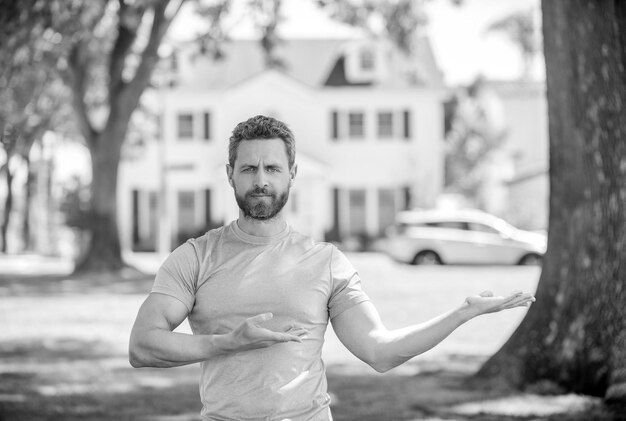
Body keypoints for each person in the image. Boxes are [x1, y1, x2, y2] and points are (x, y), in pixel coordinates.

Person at [129, 115, 535, 421]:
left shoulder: (326, 261)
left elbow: (380, 351)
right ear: (230, 174)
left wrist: (462, 314)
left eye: (272, 168)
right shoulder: (196, 256)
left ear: (292, 174)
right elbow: (143, 345)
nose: (260, 180)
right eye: (248, 168)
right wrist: (226, 343)